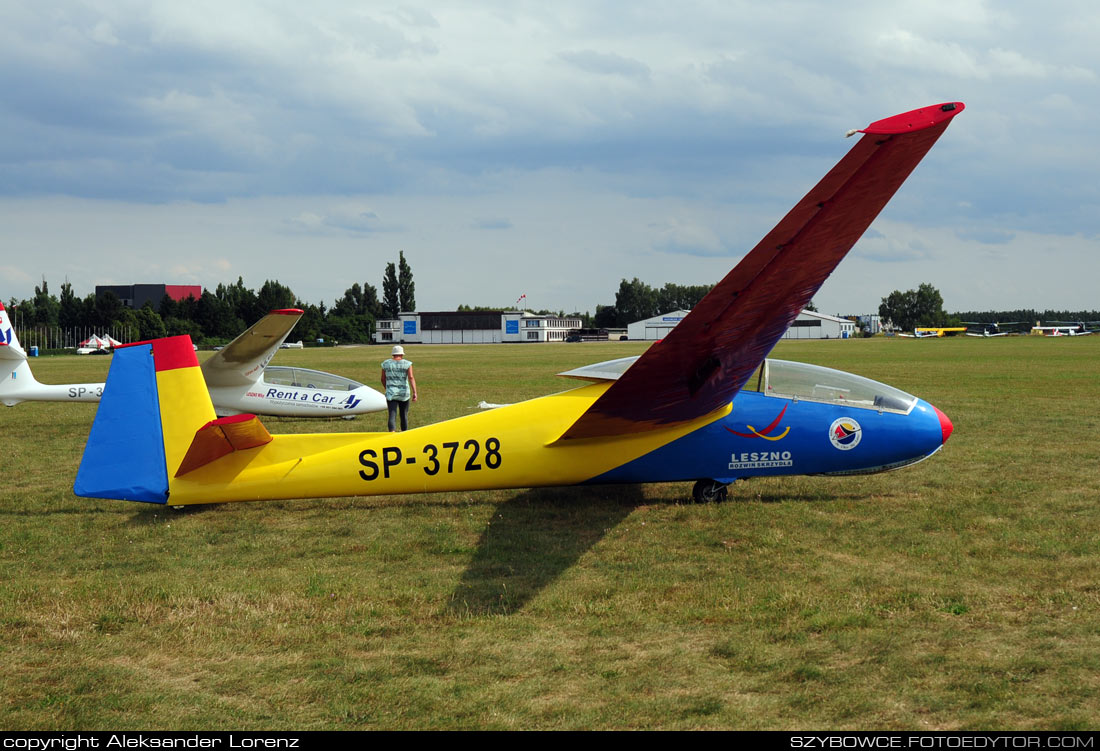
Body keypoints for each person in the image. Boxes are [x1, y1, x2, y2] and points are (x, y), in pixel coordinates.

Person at [380, 345, 417, 432]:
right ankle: (404, 433)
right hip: (404, 393)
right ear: (402, 354)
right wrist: (415, 392)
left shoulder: (385, 364)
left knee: (392, 415)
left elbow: (382, 379)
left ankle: (392, 433)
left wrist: (387, 388)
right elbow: (411, 377)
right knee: (404, 415)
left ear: (393, 354)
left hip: (391, 393)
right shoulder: (407, 364)